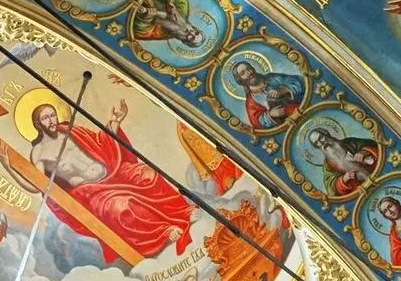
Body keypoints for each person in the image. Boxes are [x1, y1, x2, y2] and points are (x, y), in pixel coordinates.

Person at [28, 101, 193, 263]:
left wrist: (115, 122)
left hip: (113, 173)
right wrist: (14, 169)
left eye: (52, 115)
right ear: (38, 124)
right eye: (45, 118)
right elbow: (37, 183)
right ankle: (162, 232)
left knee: (147, 174)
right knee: (120, 207)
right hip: (91, 194)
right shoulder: (39, 152)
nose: (51, 120)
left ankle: (182, 211)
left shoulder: (71, 131)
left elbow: (100, 142)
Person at [230, 58, 306, 129]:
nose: (249, 73)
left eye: (249, 68)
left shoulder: (272, 78)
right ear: (240, 80)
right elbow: (257, 122)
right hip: (290, 124)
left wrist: (284, 90)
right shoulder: (251, 101)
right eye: (243, 73)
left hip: (303, 108)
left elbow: (300, 81)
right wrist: (270, 115)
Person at [306, 125, 379, 196]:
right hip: (361, 191)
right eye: (317, 142)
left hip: (376, 176)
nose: (321, 143)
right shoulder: (328, 164)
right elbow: (330, 187)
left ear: (326, 134)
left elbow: (375, 145)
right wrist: (344, 179)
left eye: (321, 137)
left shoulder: (349, 142)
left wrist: (364, 152)